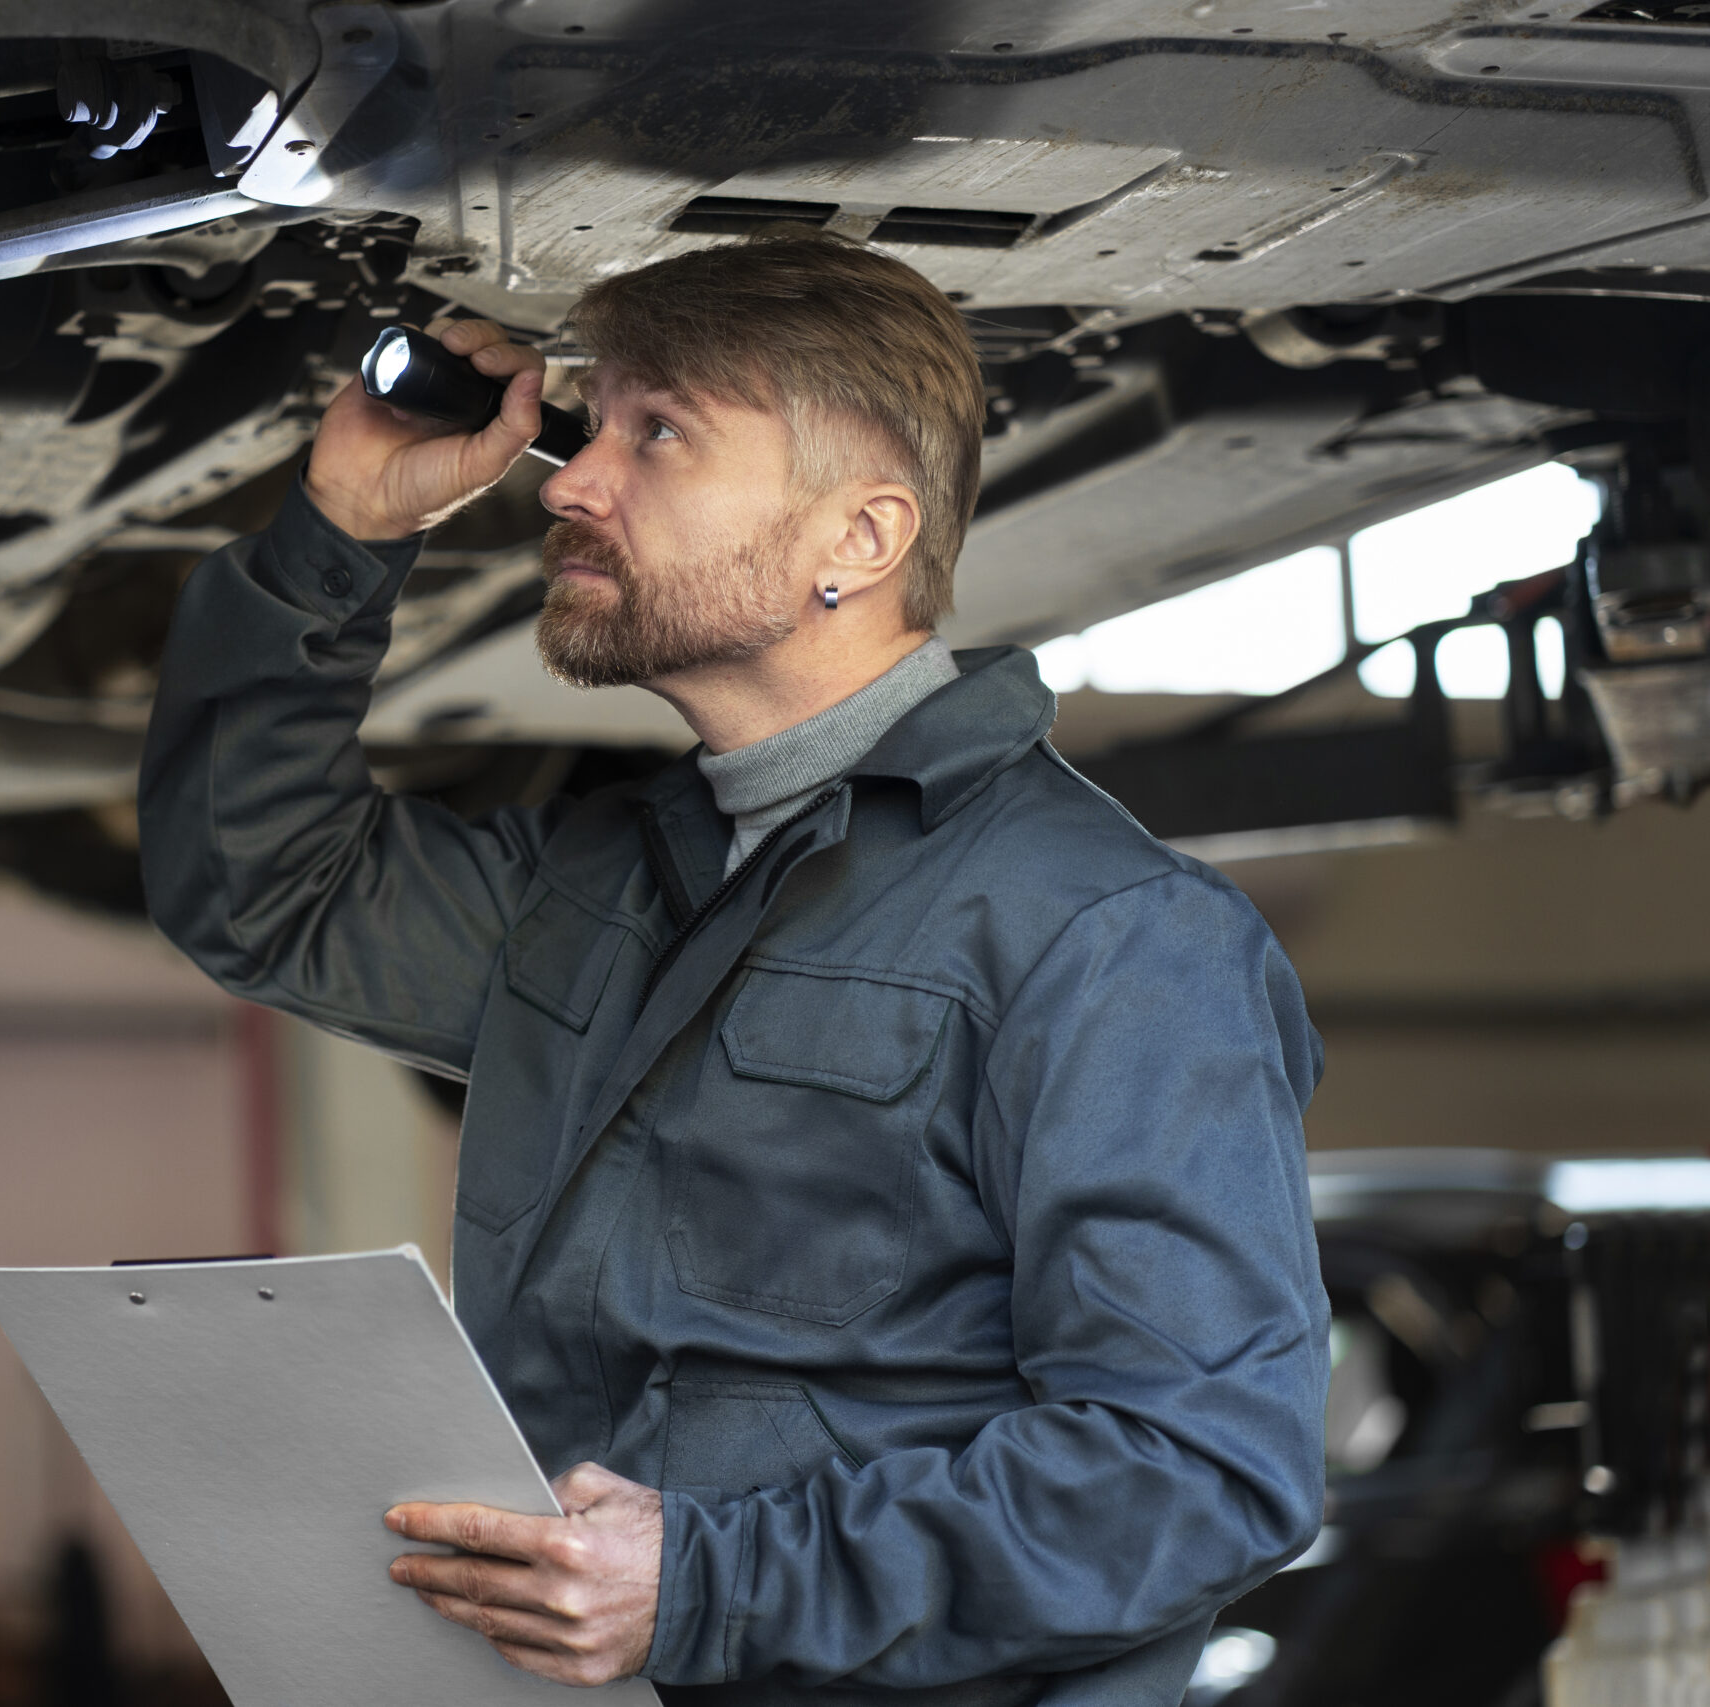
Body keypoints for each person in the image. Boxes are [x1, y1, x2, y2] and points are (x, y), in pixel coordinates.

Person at [137, 230, 1329, 1706]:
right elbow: (262, 890)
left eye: (660, 434)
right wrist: (342, 532)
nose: (568, 483)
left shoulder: (1110, 937)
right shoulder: (603, 881)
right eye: (593, 427)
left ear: (860, 540)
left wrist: (706, 1584)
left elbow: (1199, 1470)